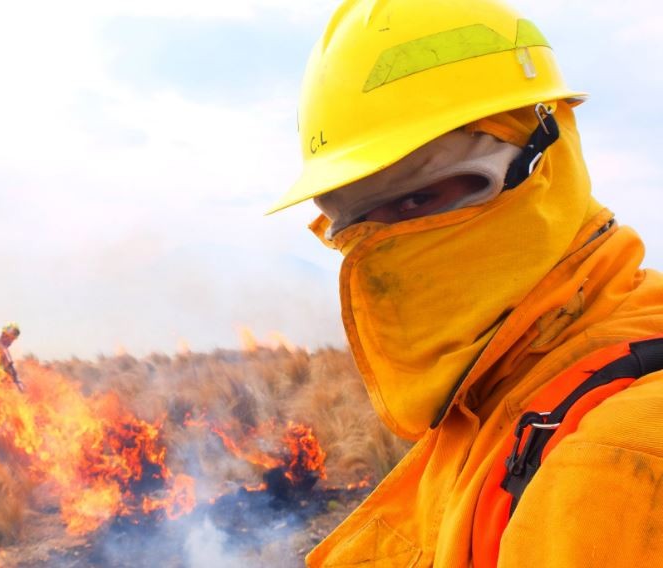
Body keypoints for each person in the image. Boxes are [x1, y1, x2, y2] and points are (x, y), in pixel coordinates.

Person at [268, 0, 663, 565]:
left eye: (420, 199)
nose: (392, 246)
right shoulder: (490, 383)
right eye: (360, 223)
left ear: (545, 164)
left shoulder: (616, 468)